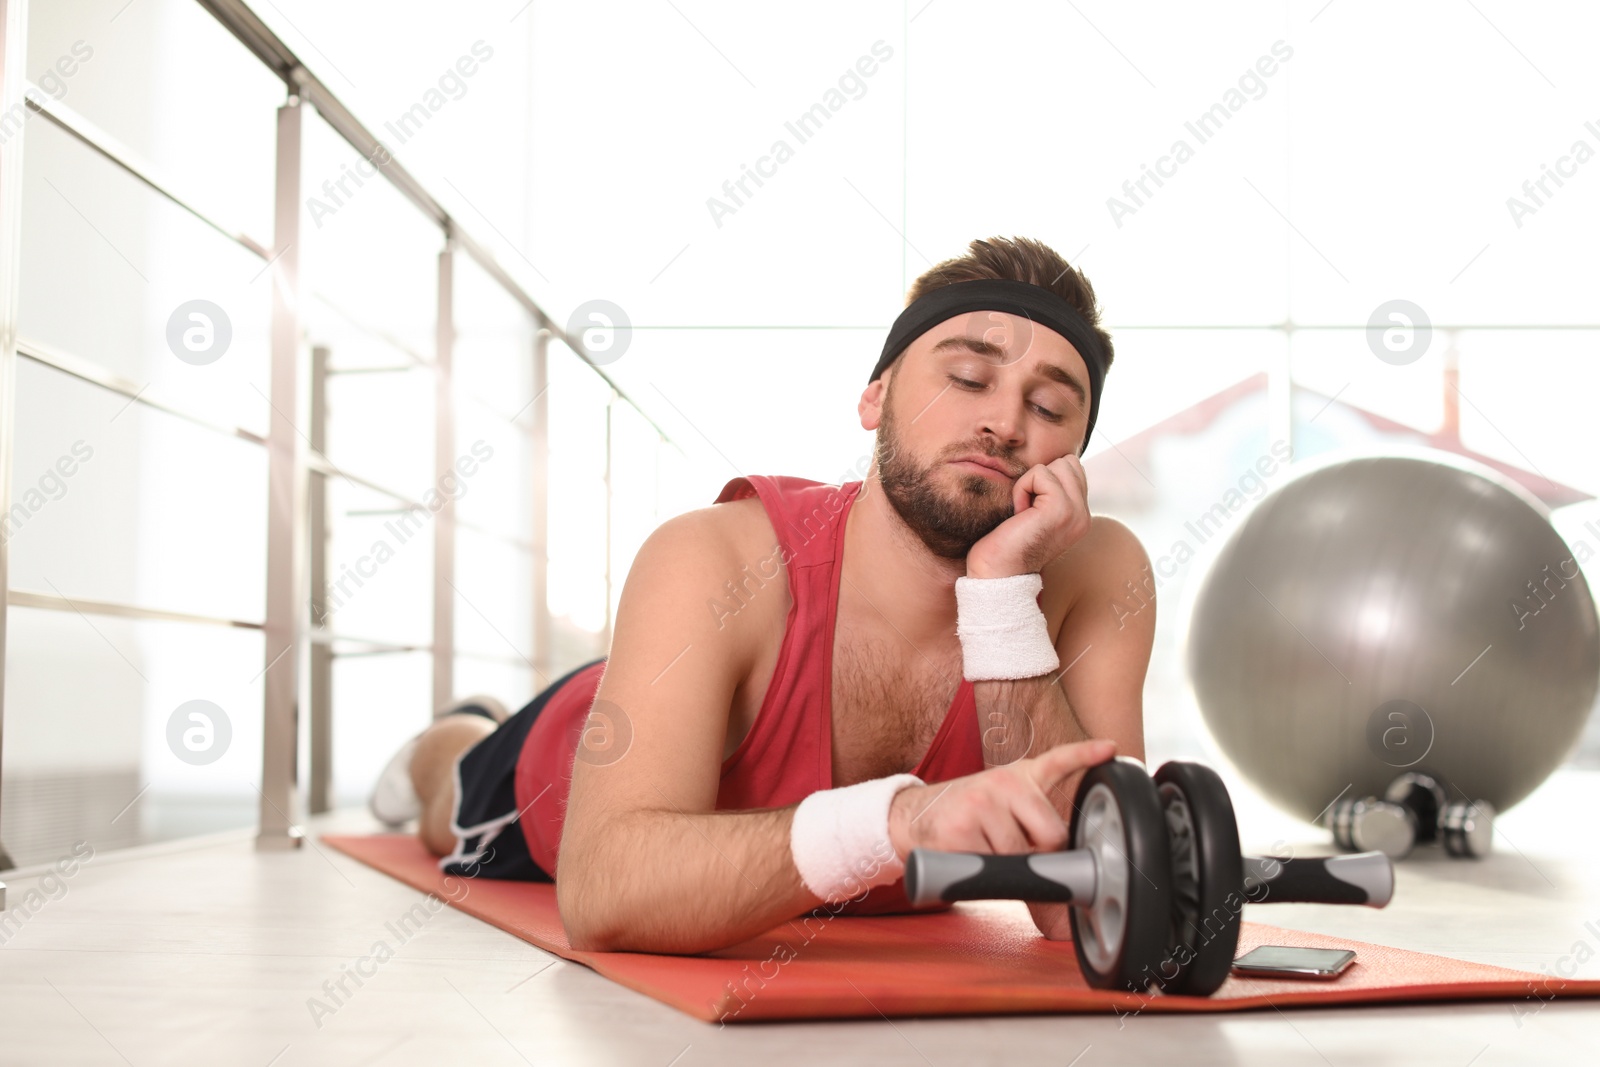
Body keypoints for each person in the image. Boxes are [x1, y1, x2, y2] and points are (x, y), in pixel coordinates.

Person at [369, 235, 1156, 954]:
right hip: (581, 760)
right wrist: (897, 820)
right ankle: (453, 736)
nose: (1004, 424)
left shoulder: (1099, 573)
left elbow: (1085, 905)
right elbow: (604, 890)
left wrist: (1003, 597)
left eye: (1049, 406)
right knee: (448, 802)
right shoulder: (711, 555)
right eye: (967, 377)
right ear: (875, 398)